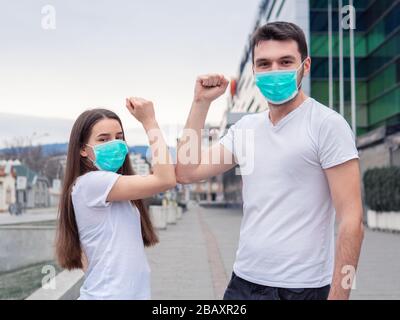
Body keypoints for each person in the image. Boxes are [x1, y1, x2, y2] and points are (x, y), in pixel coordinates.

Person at [176, 21, 364, 300]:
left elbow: (352, 221)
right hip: (243, 283)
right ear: (254, 71)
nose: (275, 71)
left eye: (285, 61)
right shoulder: (245, 130)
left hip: (304, 288)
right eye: (264, 64)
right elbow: (187, 171)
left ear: (306, 66)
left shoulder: (327, 125)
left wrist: (340, 295)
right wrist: (201, 103)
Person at [56, 97, 176, 299]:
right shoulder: (92, 183)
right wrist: (150, 122)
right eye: (103, 139)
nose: (115, 144)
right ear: (82, 149)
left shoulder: (110, 186)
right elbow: (165, 179)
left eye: (119, 137)